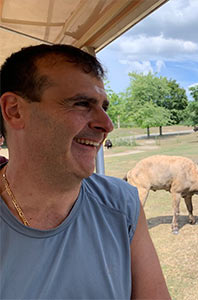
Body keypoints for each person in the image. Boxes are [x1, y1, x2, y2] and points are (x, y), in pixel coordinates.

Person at [0, 44, 171, 300]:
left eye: (104, 106)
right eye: (81, 104)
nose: (107, 125)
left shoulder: (122, 204)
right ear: (14, 110)